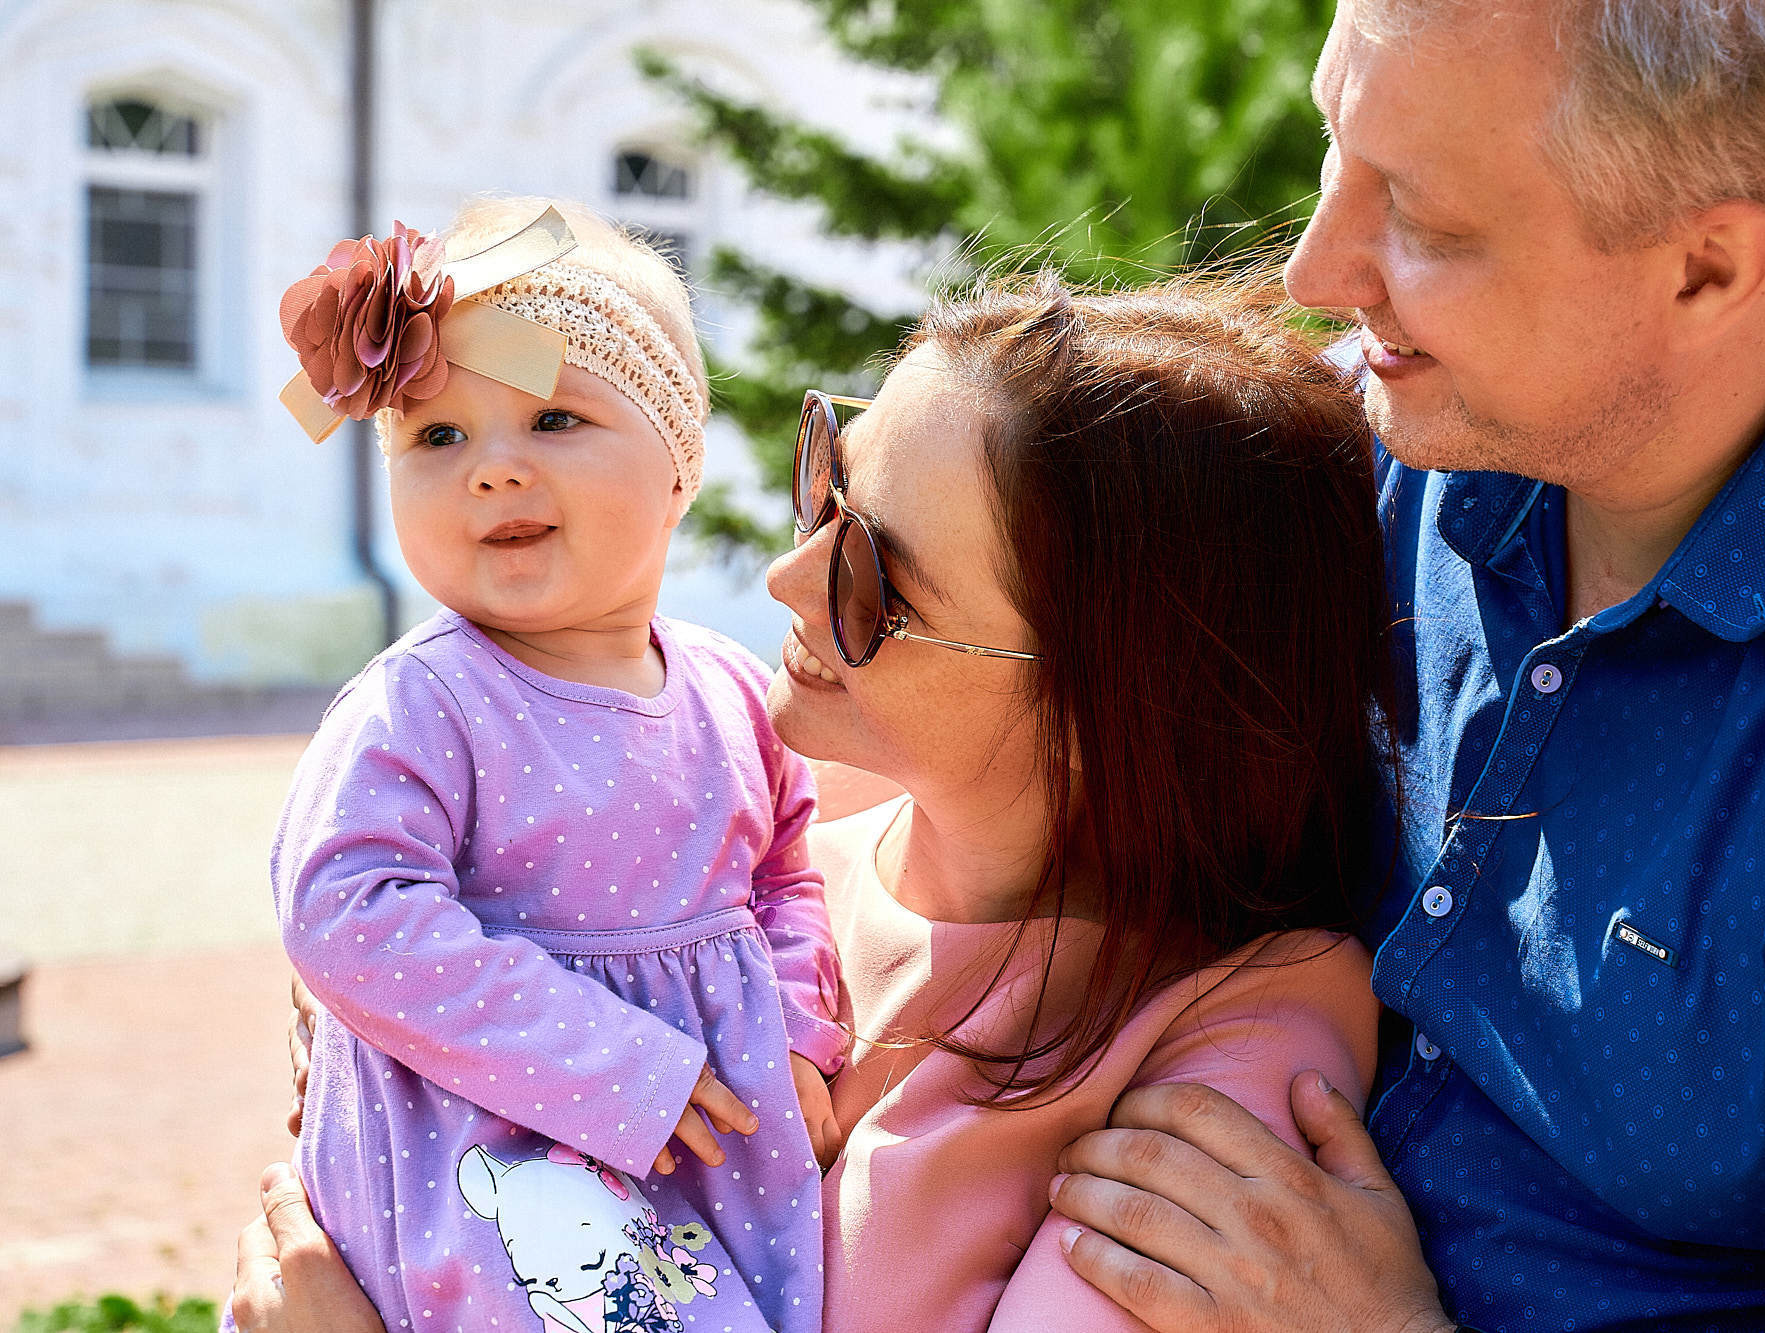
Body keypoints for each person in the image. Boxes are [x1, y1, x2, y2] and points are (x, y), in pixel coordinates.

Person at [1048, 1, 1765, 1330]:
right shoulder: (1415, 407)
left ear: (1710, 271)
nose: (1319, 273)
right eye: (1340, 142)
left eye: (1425, 221)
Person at [229, 271, 1393, 1331]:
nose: (786, 575)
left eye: (871, 574)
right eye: (823, 481)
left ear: (1112, 705)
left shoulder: (1234, 1027)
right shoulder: (721, 850)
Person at [253, 196, 843, 1333]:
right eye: (438, 437)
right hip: (497, 1157)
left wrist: (801, 1032)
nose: (492, 471)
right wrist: (609, 1062)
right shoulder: (425, 701)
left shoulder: (730, 691)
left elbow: (786, 870)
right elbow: (347, 912)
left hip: (717, 1134)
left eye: (555, 420)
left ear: (679, 466)